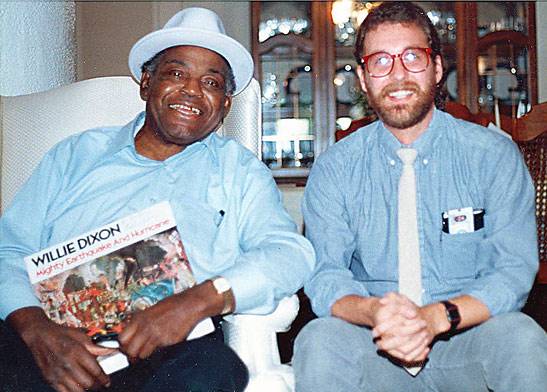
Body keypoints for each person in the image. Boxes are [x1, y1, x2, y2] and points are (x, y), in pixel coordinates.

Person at [0, 7, 314, 392]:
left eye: (211, 82)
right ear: (147, 83)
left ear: (226, 105)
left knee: (215, 370)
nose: (192, 91)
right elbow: (9, 249)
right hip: (53, 338)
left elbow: (289, 253)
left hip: (173, 346)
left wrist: (197, 301)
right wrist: (35, 330)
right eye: (177, 73)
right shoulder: (75, 155)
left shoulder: (239, 170)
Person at [293, 2, 546, 391]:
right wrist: (376, 312)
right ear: (362, 78)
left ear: (437, 68)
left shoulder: (492, 155)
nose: (397, 75)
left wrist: (435, 318)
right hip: (376, 342)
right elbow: (326, 274)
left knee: (521, 337)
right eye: (380, 61)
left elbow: (512, 271)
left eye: (413, 57)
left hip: (465, 338)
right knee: (318, 341)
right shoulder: (335, 168)